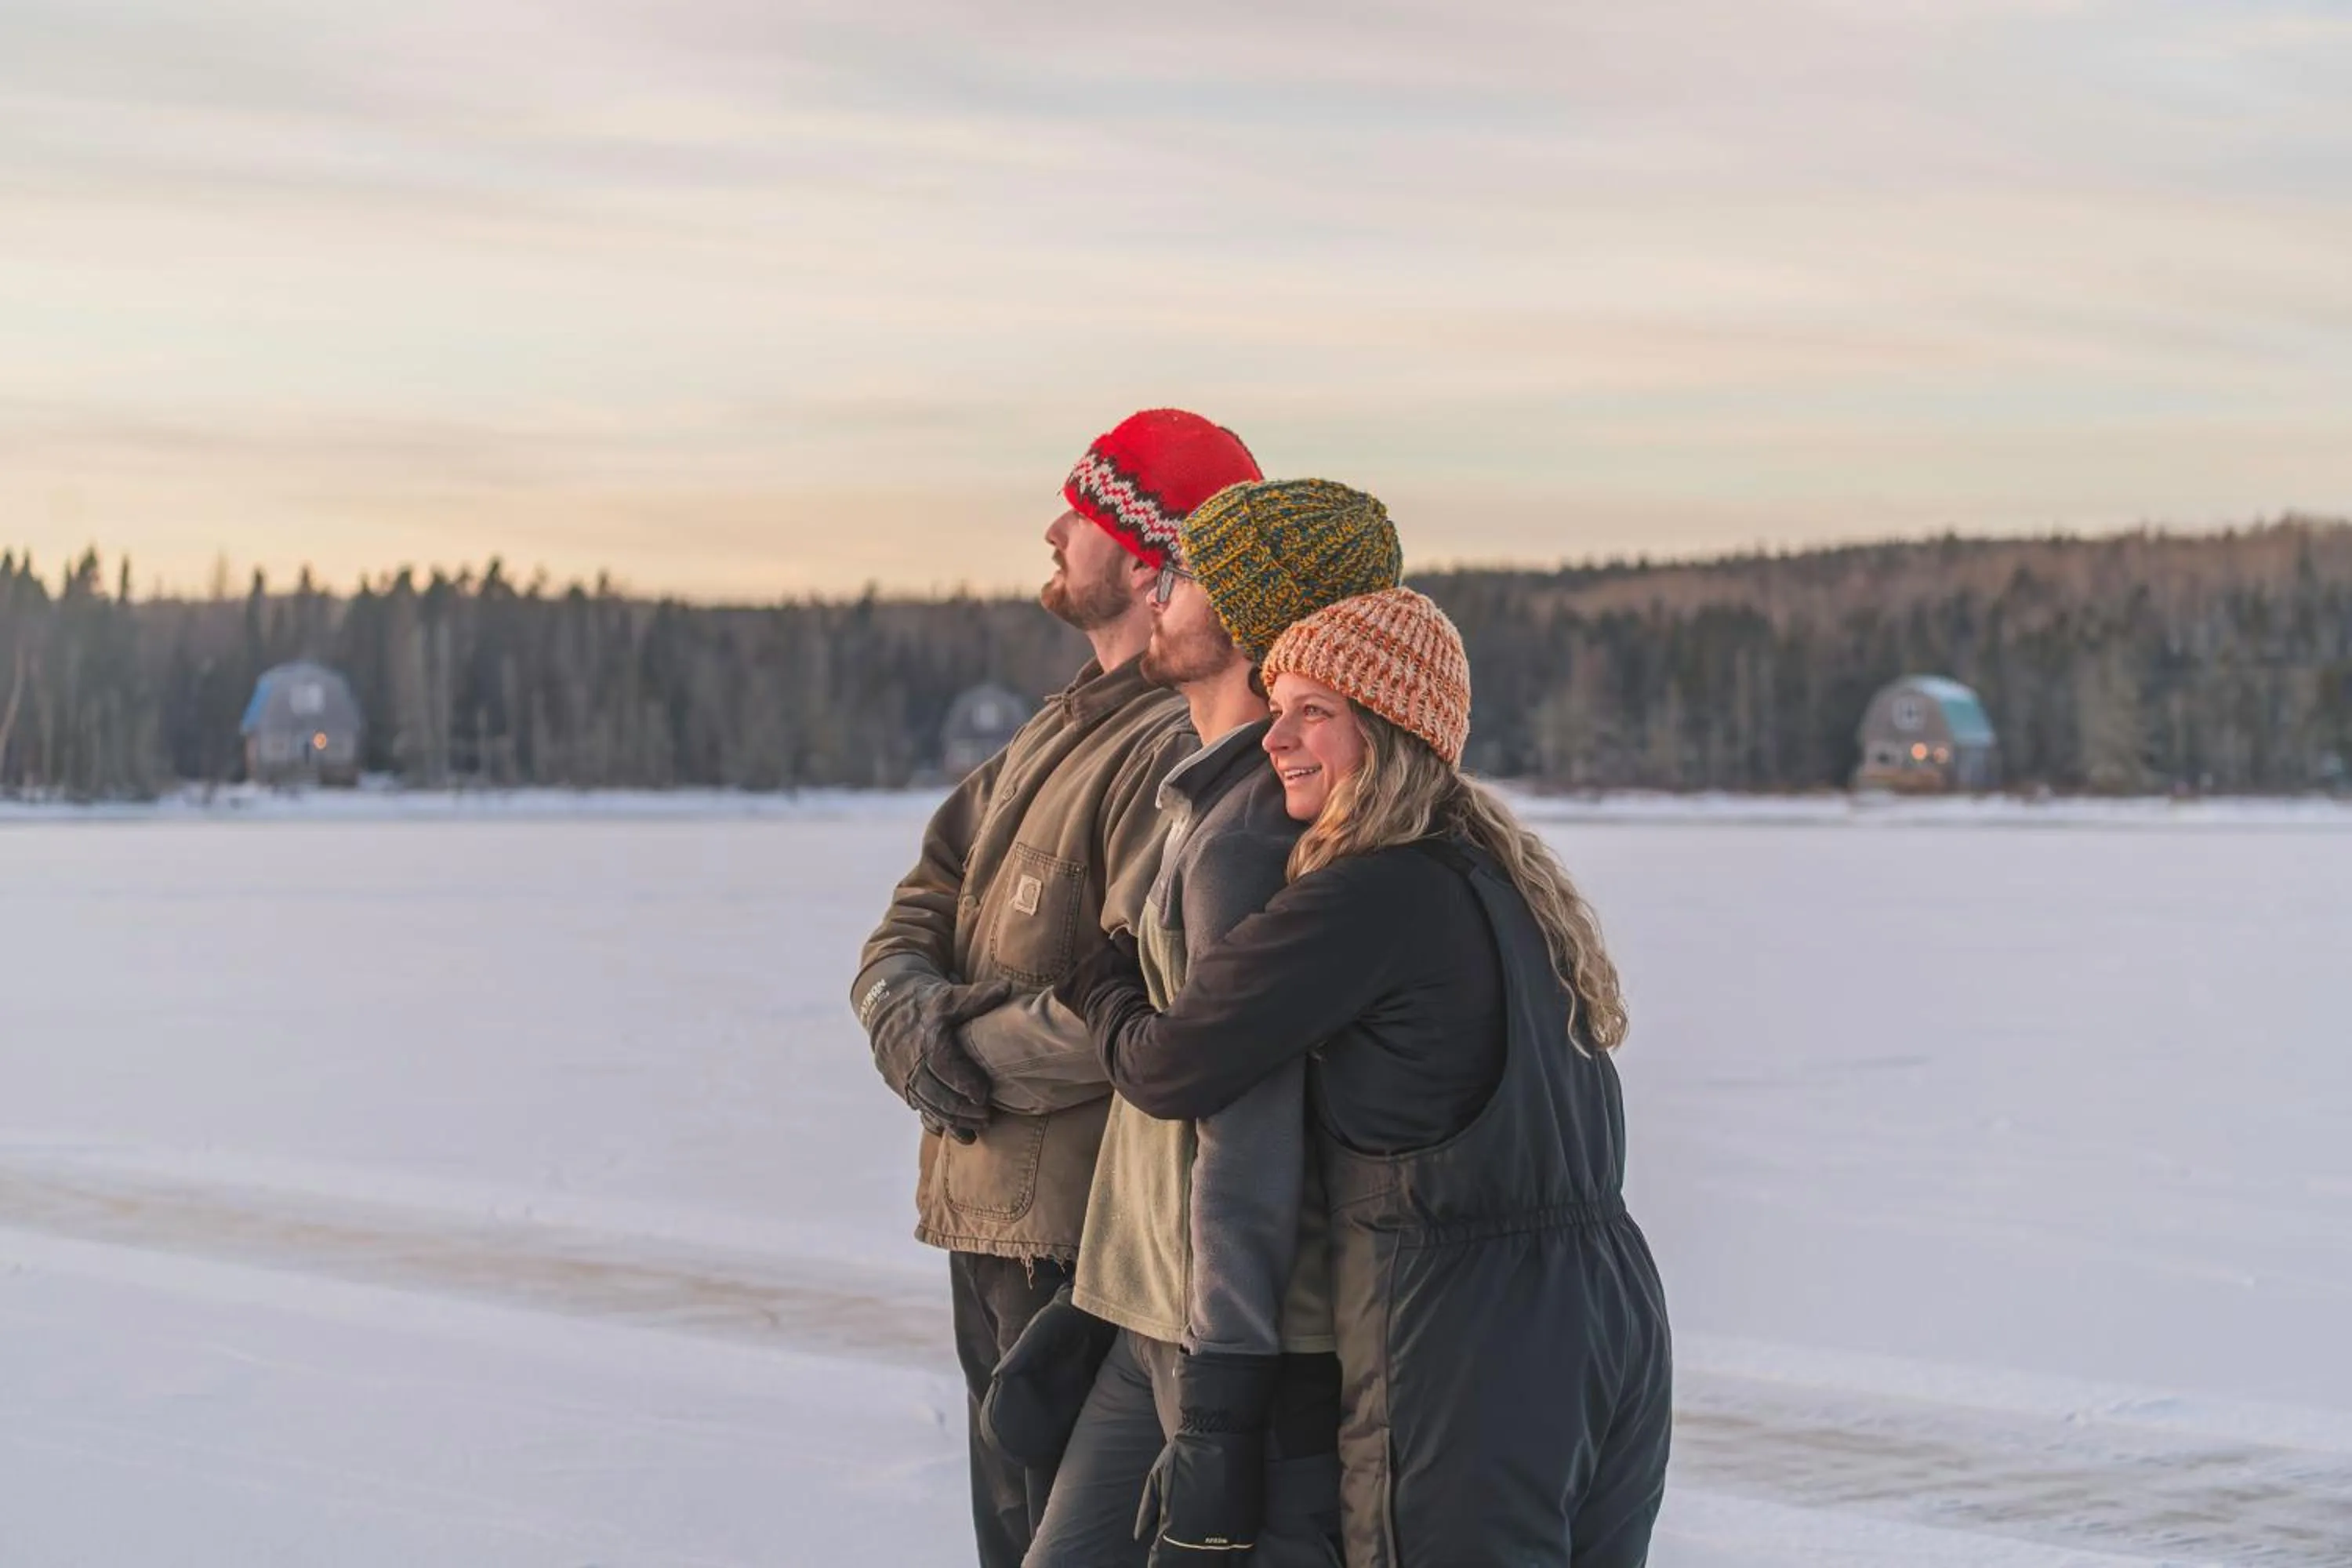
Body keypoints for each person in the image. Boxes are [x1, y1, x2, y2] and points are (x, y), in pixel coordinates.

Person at [1058, 586, 1675, 1567]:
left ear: (1390, 728)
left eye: (1317, 711)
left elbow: (1171, 1068)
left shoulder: (1366, 895)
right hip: (1609, 1315)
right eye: (1278, 704)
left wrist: (1109, 987)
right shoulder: (1495, 873)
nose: (1277, 736)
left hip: (1465, 1336)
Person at [851, 409, 1263, 1568]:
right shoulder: (1055, 730)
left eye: (1076, 515)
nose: (1049, 532)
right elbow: (922, 899)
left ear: (1144, 557)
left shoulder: (1175, 750)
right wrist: (904, 1014)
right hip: (986, 1220)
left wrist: (957, 1051)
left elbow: (1144, 1011)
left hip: (1081, 1246)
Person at [1023, 480, 1403, 1567]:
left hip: (1226, 1336)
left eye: (1181, 576)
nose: (1156, 588)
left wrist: (1229, 1399)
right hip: (1151, 1314)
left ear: (1244, 619)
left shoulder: (1249, 831)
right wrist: (1093, 1303)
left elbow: (1246, 1133)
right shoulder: (1207, 800)